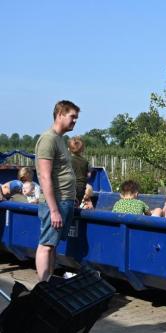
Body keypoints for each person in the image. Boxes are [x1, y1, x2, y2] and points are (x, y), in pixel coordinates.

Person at [35, 100, 80, 281]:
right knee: (46, 245)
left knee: (52, 246)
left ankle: (50, 284)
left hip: (64, 200)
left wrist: (73, 196)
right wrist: (53, 210)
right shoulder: (48, 139)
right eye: (72, 116)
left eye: (76, 117)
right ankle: (43, 286)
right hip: (55, 204)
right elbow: (44, 176)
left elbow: (61, 172)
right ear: (60, 114)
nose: (75, 121)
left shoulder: (60, 139)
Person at [68, 136, 91, 204]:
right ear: (82, 149)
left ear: (68, 149)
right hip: (82, 187)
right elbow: (89, 175)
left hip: (71, 187)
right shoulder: (85, 161)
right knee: (78, 203)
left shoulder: (68, 160)